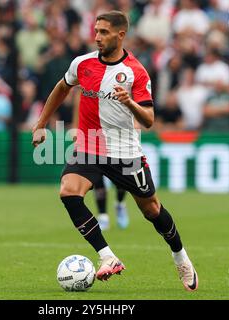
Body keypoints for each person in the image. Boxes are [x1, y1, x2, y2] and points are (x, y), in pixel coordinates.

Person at [32, 11, 198, 291]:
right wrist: (40, 124)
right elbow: (62, 87)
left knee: (151, 209)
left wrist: (130, 102)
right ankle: (107, 256)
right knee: (68, 192)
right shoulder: (82, 63)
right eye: (96, 31)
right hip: (88, 145)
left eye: (104, 32)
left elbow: (148, 120)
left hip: (125, 152)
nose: (97, 37)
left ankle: (180, 255)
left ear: (121, 35)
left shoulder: (136, 71)